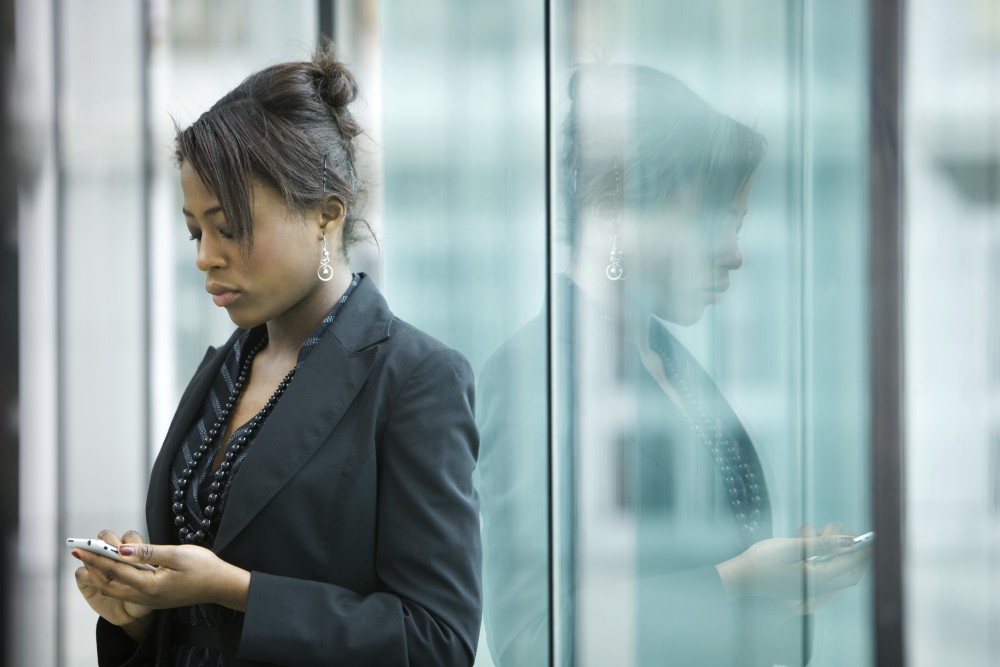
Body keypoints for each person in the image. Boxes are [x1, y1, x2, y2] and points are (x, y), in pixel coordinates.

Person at [70, 43, 482, 667]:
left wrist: (232, 589)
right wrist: (135, 616)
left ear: (325, 216)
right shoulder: (225, 369)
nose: (205, 254)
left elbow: (436, 643)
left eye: (229, 225)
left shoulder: (416, 378)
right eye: (194, 230)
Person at [476, 64, 870, 666]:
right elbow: (533, 640)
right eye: (713, 221)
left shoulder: (670, 364)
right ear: (615, 212)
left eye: (737, 226)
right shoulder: (535, 377)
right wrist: (739, 580)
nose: (735, 254)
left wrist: (781, 576)